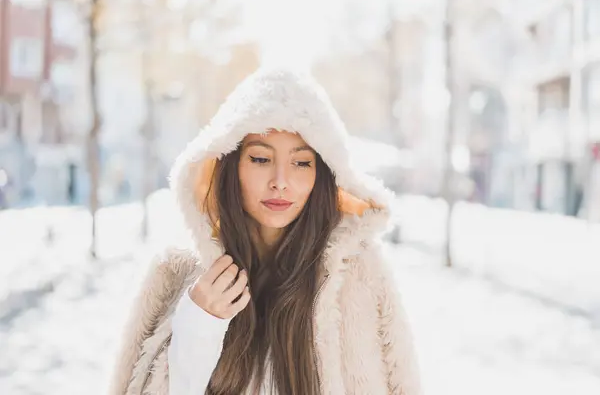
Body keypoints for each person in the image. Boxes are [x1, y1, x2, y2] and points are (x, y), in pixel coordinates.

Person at [108, 68, 422, 395]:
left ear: (324, 176)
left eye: (301, 163)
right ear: (229, 164)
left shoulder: (358, 274)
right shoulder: (179, 272)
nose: (280, 181)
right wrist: (199, 321)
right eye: (260, 158)